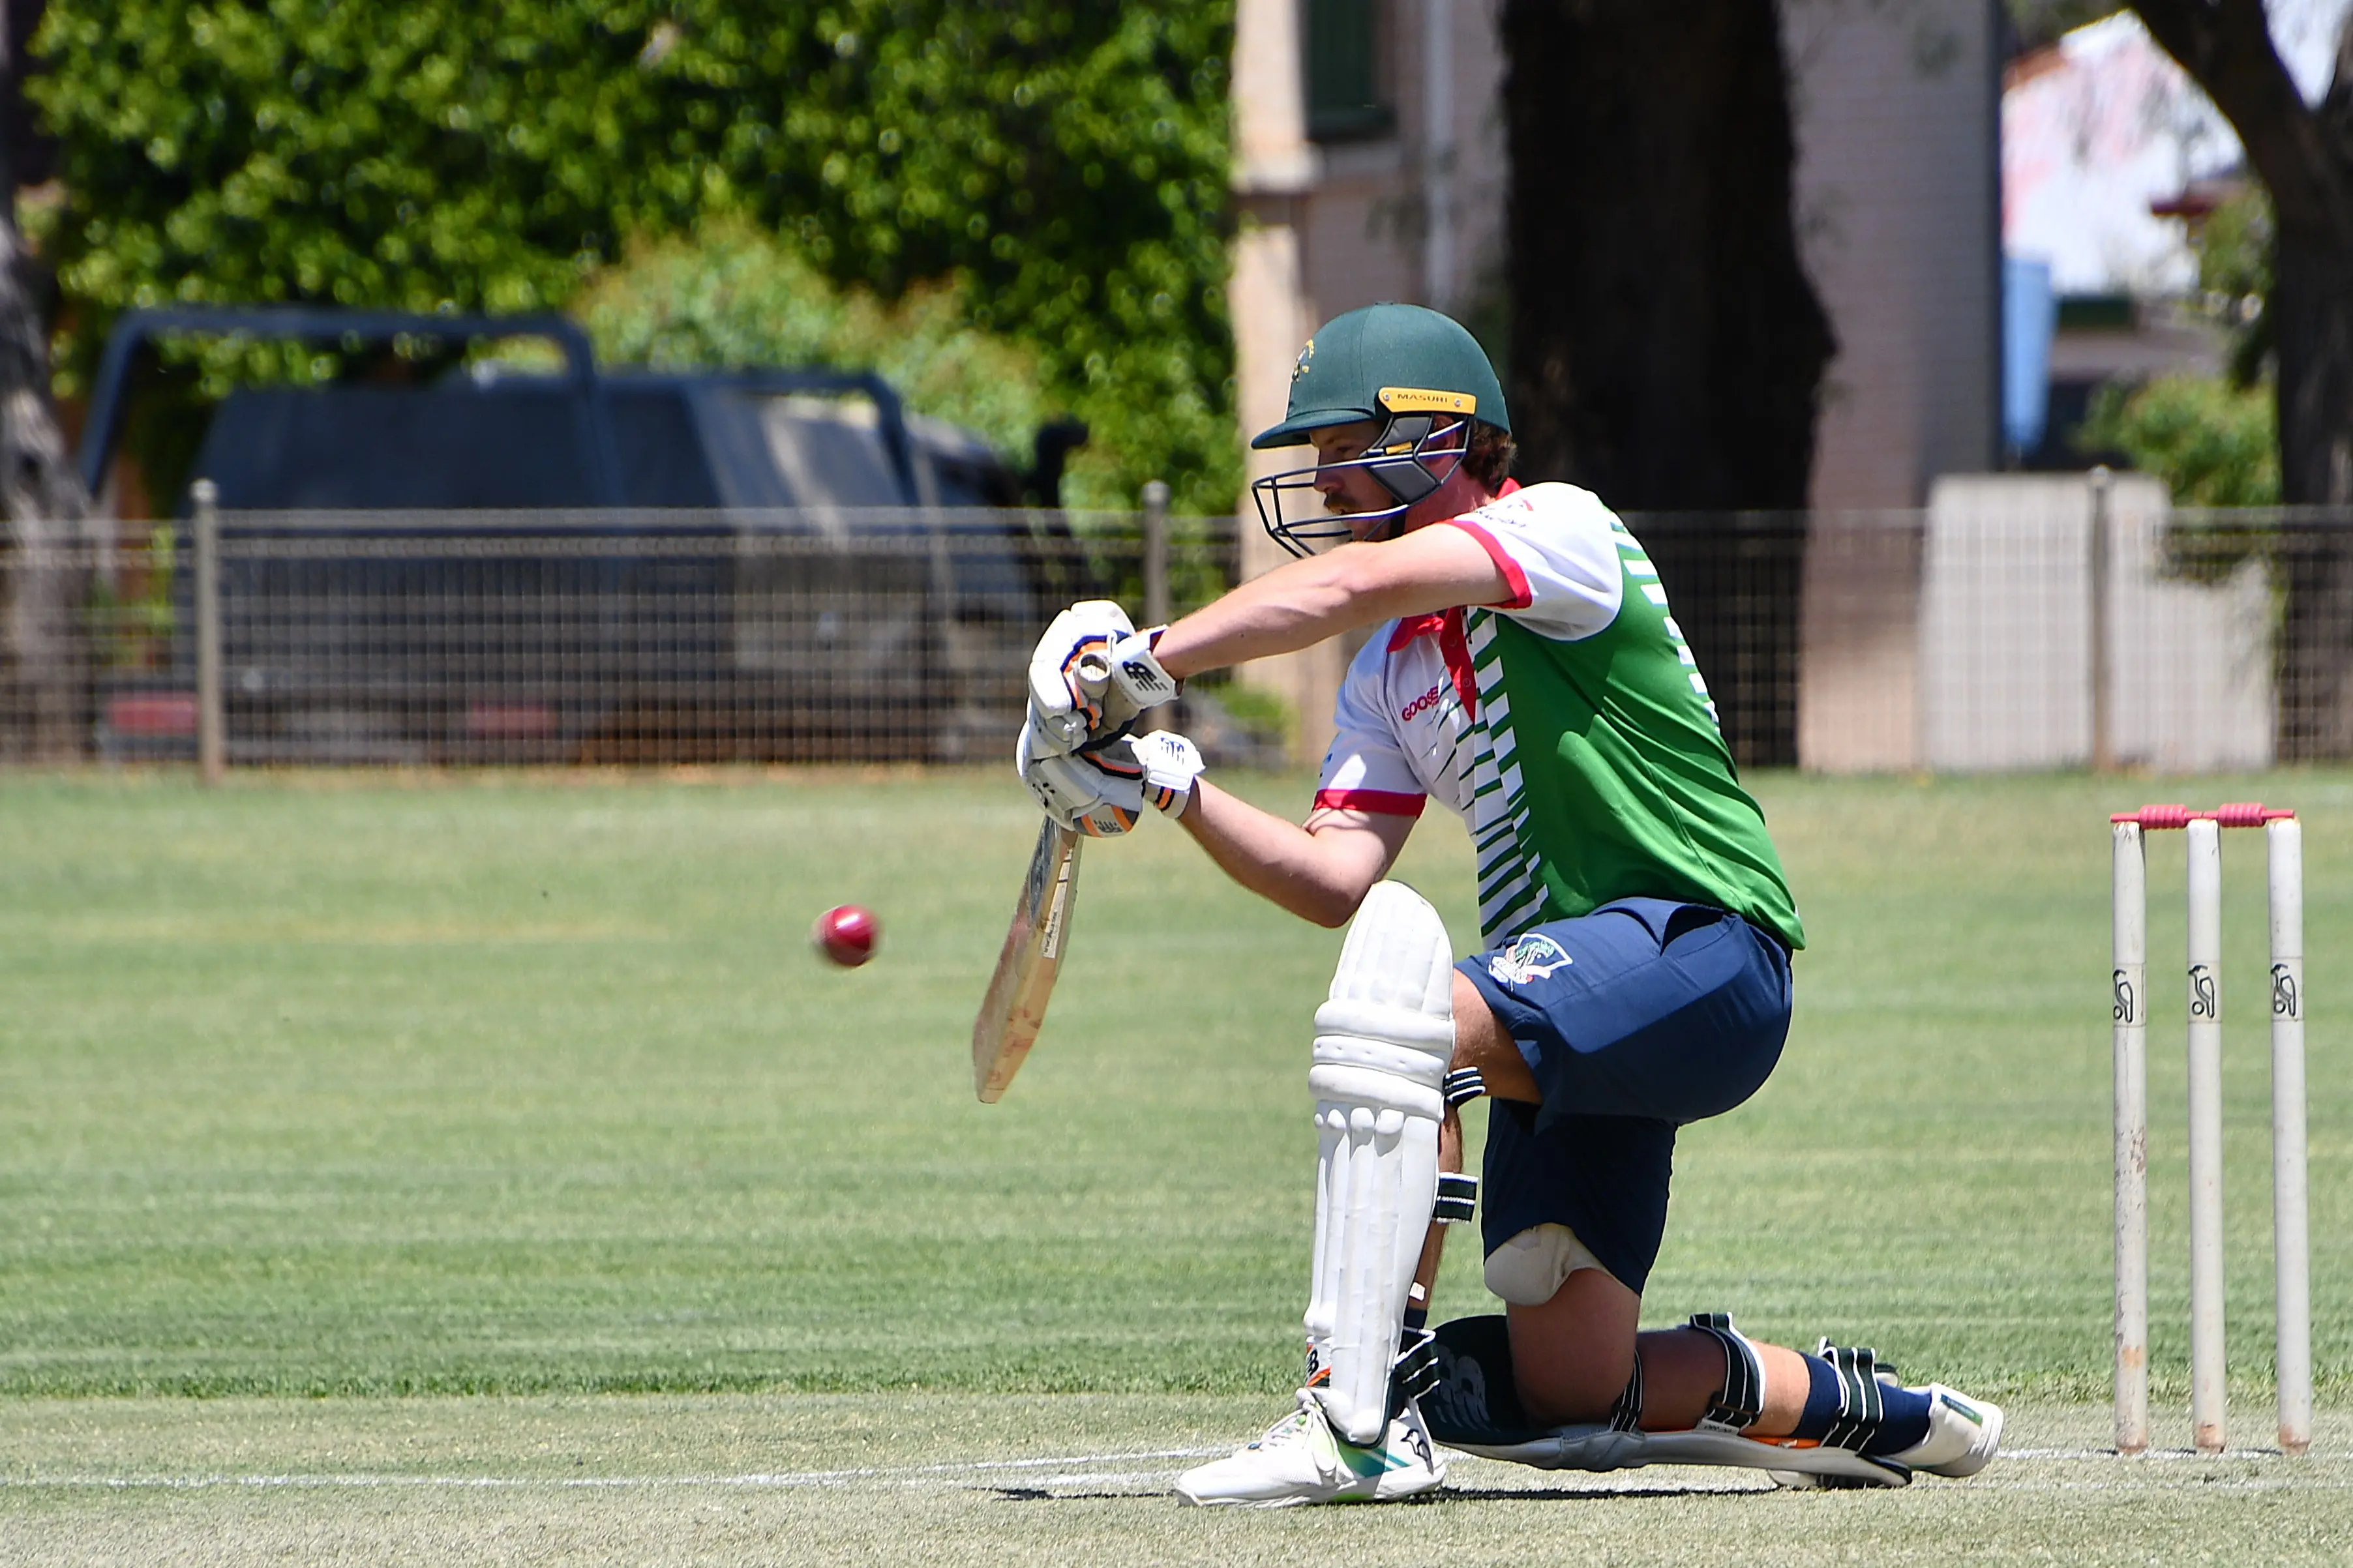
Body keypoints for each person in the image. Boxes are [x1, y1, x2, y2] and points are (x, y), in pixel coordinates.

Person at [1015, 304, 2002, 1507]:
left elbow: (1358, 579)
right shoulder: (1390, 665)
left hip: (1705, 950)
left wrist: (1138, 661)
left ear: (1437, 441)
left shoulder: (1561, 529)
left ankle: (1360, 1414)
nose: (1321, 485)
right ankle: (1859, 1406)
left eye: (1342, 452)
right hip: (1572, 1000)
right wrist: (1170, 783)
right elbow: (1333, 878)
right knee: (1571, 1389)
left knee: (1406, 1020)